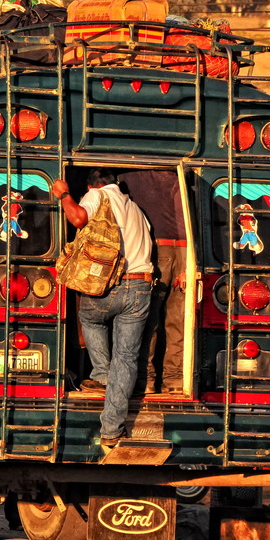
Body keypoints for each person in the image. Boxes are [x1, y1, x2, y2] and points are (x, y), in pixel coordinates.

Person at [52, 169, 153, 454]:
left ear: (90, 185)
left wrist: (63, 194)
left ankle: (100, 375)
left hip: (113, 285)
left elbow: (78, 218)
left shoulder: (95, 195)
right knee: (127, 357)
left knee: (89, 317)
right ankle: (111, 431)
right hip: (142, 286)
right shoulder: (135, 208)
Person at [119, 170, 187, 395]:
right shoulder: (182, 174)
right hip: (186, 249)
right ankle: (175, 378)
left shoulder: (130, 175)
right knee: (178, 320)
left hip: (155, 247)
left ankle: (145, 378)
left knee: (148, 319)